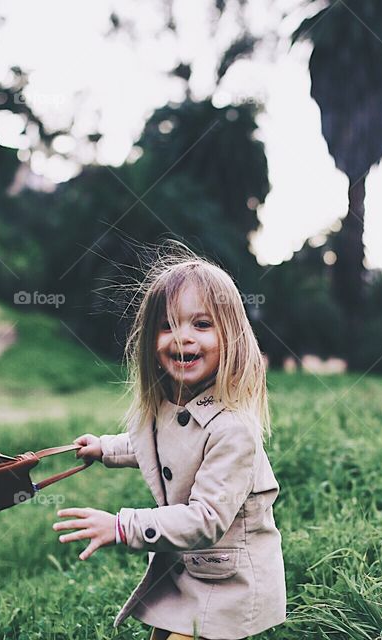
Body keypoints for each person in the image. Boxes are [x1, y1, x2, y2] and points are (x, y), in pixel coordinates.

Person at [53, 245, 286, 640]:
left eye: (200, 324)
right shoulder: (174, 406)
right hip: (192, 569)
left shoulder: (233, 430)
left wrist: (123, 526)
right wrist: (105, 448)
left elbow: (205, 519)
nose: (181, 338)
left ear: (230, 335)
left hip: (226, 582)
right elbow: (161, 443)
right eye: (167, 325)